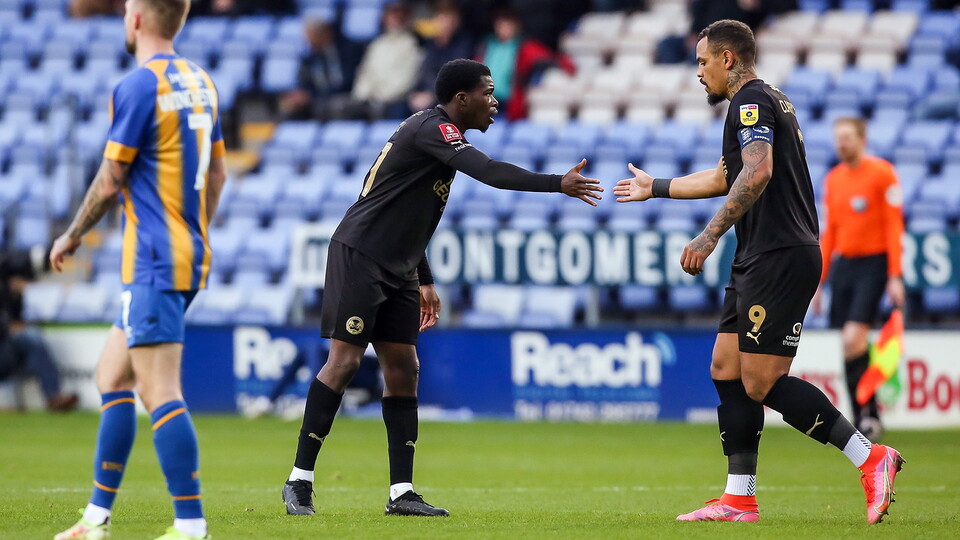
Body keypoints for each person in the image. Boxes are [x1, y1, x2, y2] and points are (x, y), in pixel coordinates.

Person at [282, 58, 602, 518]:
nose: (495, 101)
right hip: (360, 256)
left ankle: (401, 493)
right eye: (488, 93)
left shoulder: (434, 135)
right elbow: (489, 172)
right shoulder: (436, 130)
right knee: (345, 361)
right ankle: (299, 482)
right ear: (461, 99)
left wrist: (423, 277)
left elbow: (407, 214)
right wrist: (557, 184)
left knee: (404, 365)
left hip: (399, 265)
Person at [614, 20, 904, 524]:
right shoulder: (765, 103)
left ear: (728, 59)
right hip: (759, 253)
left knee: (762, 381)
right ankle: (739, 498)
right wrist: (657, 186)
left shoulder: (750, 102)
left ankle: (871, 456)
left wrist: (708, 237)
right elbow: (728, 175)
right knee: (726, 366)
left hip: (779, 253)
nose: (698, 74)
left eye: (703, 62)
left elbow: (758, 170)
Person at [51, 0, 228, 538]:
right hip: (187, 250)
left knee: (159, 391)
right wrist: (193, 229)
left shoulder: (136, 86)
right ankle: (96, 518)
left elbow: (109, 180)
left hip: (153, 260)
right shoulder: (201, 81)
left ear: (136, 20)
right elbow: (217, 173)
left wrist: (73, 234)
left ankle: (190, 523)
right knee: (112, 375)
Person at [812, 117, 905, 442]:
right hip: (845, 266)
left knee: (854, 338)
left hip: (874, 264)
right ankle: (866, 416)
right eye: (838, 138)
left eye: (847, 137)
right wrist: (820, 281)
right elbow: (831, 232)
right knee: (850, 346)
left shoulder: (882, 173)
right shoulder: (834, 179)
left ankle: (865, 416)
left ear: (862, 139)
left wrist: (895, 274)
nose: (841, 143)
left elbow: (894, 225)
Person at [0, 247, 78, 412]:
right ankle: (53, 396)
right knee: (32, 338)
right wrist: (10, 328)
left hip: (8, 350)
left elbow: (17, 324)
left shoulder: (15, 299)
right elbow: (10, 327)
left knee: (33, 342)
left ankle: (53, 396)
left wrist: (16, 328)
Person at [474, 8, 574, 121]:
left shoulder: (525, 47)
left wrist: (567, 66)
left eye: (508, 25)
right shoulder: (486, 46)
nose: (504, 28)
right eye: (501, 24)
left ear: (516, 26)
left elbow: (548, 57)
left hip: (510, 104)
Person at [348, 2, 423, 120]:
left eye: (400, 16)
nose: (395, 19)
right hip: (370, 99)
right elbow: (365, 73)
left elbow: (407, 79)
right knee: (343, 108)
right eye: (392, 15)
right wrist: (362, 96)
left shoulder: (413, 44)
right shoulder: (377, 44)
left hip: (393, 100)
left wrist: (380, 96)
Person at [278, 18, 351, 121]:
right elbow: (304, 83)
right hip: (315, 99)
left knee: (334, 106)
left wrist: (314, 96)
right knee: (289, 108)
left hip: (341, 96)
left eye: (313, 38)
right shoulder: (309, 59)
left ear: (326, 34)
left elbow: (346, 80)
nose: (310, 43)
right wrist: (300, 95)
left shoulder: (346, 51)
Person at [407, 3, 473, 113]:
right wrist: (415, 94)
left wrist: (432, 95)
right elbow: (424, 73)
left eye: (448, 19)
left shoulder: (464, 44)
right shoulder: (431, 45)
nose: (444, 23)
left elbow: (454, 77)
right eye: (440, 18)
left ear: (456, 21)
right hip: (427, 95)